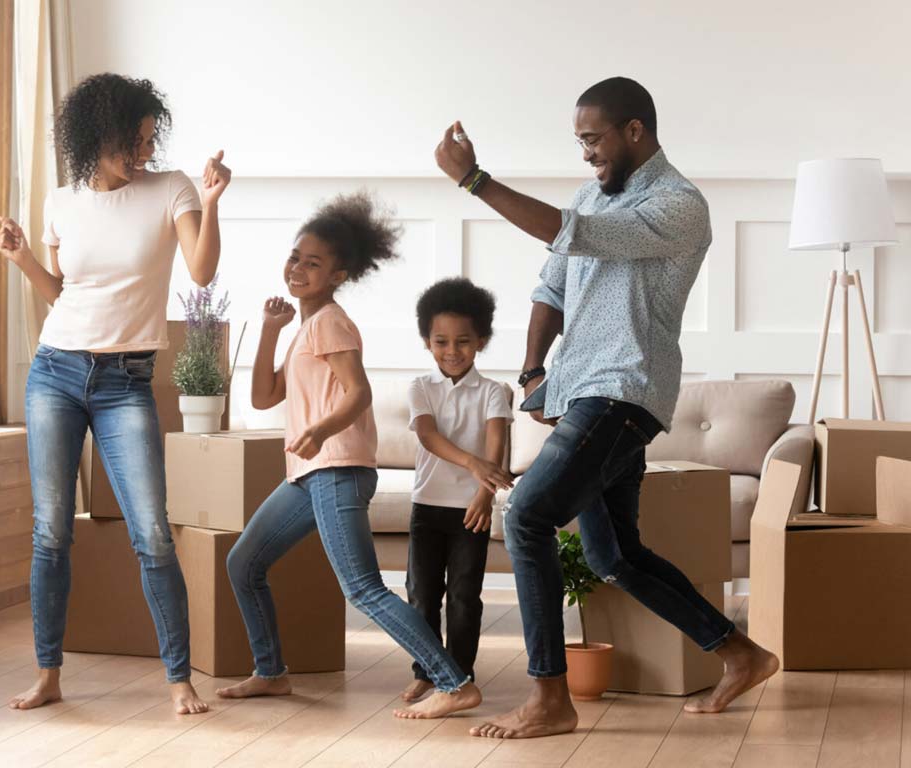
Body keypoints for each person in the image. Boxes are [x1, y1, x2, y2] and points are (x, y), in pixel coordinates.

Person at [433, 77, 779, 739]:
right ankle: (741, 654)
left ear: (635, 132)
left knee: (529, 515)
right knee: (614, 554)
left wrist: (474, 180)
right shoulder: (591, 194)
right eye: (579, 141)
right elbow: (550, 287)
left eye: (593, 139)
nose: (586, 153)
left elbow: (573, 234)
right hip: (582, 391)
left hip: (624, 391)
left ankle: (549, 698)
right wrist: (537, 370)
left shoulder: (679, 204)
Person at [0, 73, 231, 714]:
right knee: (51, 533)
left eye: (149, 140)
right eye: (132, 142)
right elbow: (63, 293)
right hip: (55, 373)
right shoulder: (61, 201)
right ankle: (49, 674)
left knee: (152, 532)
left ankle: (179, 679)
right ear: (94, 137)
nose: (143, 154)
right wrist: (21, 260)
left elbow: (203, 273)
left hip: (125, 383)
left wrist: (210, 203)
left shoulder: (171, 188)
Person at [218, 192, 482, 720]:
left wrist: (319, 429)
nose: (298, 268)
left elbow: (357, 393)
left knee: (362, 589)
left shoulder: (331, 322)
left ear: (338, 275)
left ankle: (454, 682)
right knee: (244, 562)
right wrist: (271, 330)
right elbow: (264, 397)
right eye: (296, 256)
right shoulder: (305, 328)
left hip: (335, 468)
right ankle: (271, 673)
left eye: (313, 263)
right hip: (311, 473)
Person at [400, 277, 514, 703]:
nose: (451, 351)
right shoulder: (420, 388)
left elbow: (496, 444)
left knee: (465, 597)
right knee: (422, 595)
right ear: (427, 341)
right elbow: (428, 437)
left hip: (472, 508)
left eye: (463, 341)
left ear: (481, 341)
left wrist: (484, 494)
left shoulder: (492, 391)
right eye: (441, 341)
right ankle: (427, 673)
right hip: (427, 507)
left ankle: (460, 677)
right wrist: (473, 464)